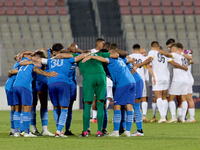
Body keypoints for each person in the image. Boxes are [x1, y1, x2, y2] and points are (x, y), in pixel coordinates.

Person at [33, 51, 89, 137]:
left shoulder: (50, 60)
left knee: (56, 107)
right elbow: (83, 55)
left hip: (51, 83)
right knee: (64, 107)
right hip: (63, 83)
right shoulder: (69, 60)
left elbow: (36, 59)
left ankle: (60, 131)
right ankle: (58, 131)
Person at [82, 50, 135, 137]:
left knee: (117, 106)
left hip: (122, 83)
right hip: (132, 82)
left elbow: (104, 59)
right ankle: (128, 131)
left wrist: (92, 56)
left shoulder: (111, 60)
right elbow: (128, 59)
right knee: (129, 106)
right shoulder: (121, 60)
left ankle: (116, 131)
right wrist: (132, 61)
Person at [13, 52, 56, 137]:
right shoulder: (36, 63)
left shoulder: (25, 61)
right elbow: (36, 69)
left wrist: (22, 54)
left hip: (15, 85)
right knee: (27, 109)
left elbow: (20, 61)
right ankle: (26, 132)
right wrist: (48, 74)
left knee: (17, 109)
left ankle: (16, 132)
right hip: (25, 86)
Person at [156, 43, 189, 122]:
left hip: (178, 79)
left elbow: (167, 54)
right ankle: (183, 118)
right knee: (184, 98)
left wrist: (157, 49)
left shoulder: (175, 54)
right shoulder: (183, 57)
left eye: (171, 49)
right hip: (185, 79)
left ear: (174, 49)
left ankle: (173, 117)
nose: (170, 50)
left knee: (171, 98)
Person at [129, 44, 149, 123]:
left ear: (133, 50)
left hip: (131, 79)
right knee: (143, 98)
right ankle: (144, 115)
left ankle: (132, 116)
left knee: (131, 98)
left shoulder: (129, 57)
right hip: (141, 80)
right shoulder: (144, 58)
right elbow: (146, 70)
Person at [5, 57, 20, 136]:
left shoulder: (21, 62)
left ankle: (14, 130)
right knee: (15, 108)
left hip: (12, 86)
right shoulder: (21, 63)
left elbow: (10, 72)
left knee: (15, 108)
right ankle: (14, 130)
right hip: (11, 87)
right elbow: (12, 72)